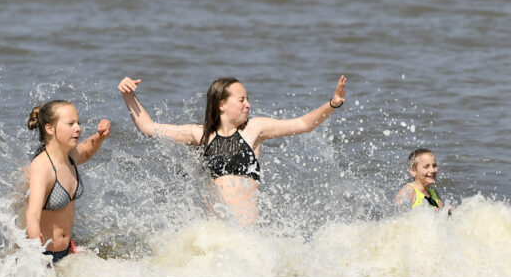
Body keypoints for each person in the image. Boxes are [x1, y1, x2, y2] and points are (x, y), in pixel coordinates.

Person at [118, 75, 346, 224]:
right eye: (242, 99)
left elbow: (304, 124)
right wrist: (128, 94)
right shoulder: (200, 134)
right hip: (216, 237)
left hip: (245, 237)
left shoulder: (255, 129)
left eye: (248, 99)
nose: (248, 104)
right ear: (222, 104)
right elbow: (149, 127)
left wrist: (333, 103)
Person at [25, 100, 111, 263]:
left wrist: (100, 136)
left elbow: (85, 151)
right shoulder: (42, 168)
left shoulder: (69, 156)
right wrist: (34, 241)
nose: (78, 128)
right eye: (71, 124)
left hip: (68, 250)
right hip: (44, 257)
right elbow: (32, 213)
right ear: (49, 128)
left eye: (78, 123)